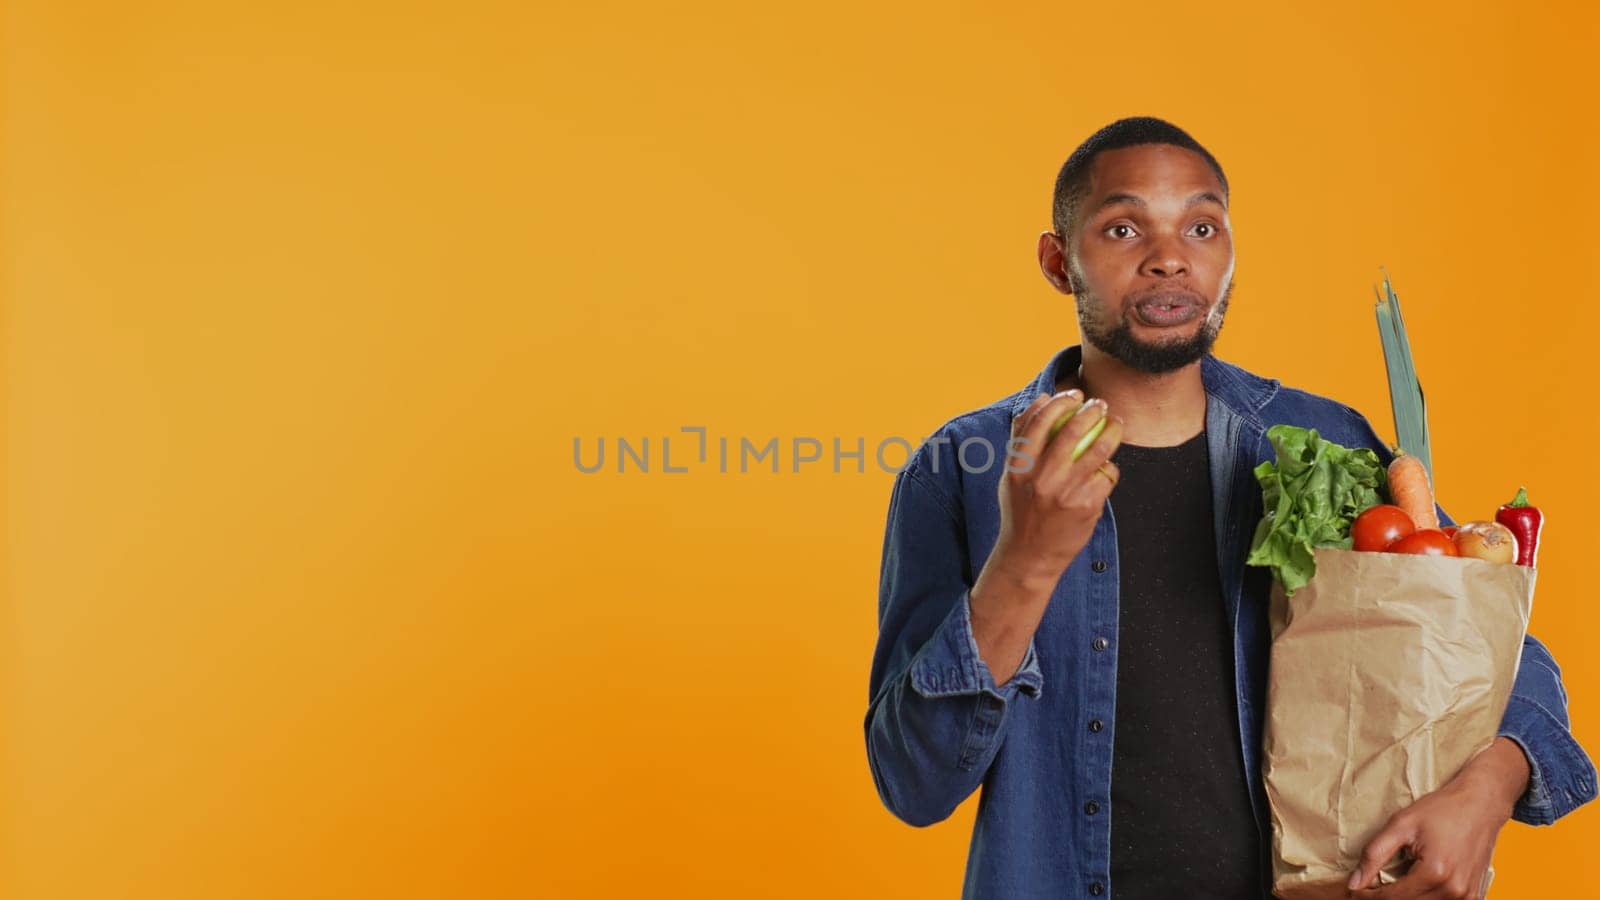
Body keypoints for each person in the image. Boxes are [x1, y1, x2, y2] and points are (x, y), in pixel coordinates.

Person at [863, 116, 1596, 900]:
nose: (1170, 258)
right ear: (1057, 261)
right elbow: (914, 781)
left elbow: (1499, 652)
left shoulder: (1323, 445)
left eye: (1202, 226)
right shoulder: (963, 471)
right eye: (1122, 228)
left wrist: (1487, 790)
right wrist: (1027, 561)